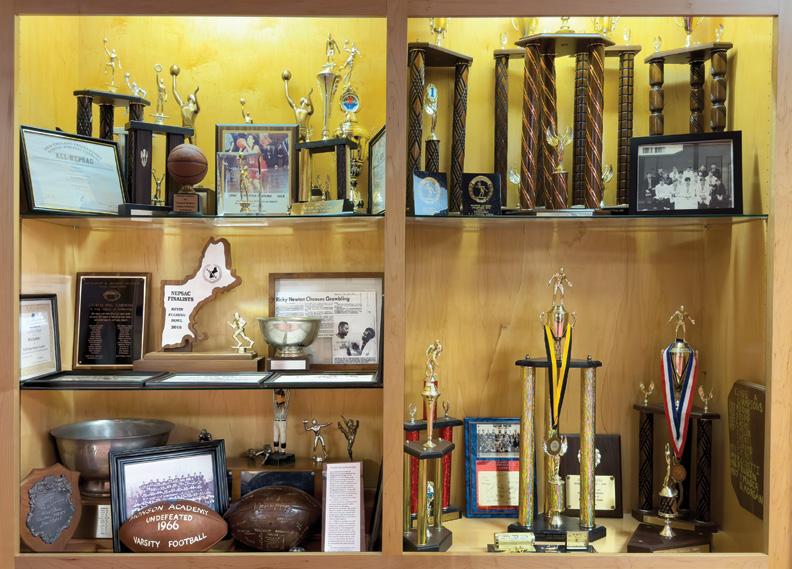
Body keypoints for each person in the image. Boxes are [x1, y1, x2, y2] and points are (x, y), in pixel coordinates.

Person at [273, 389, 291, 455]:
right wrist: (274, 391)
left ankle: (283, 451)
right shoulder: (275, 404)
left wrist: (287, 390)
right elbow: (273, 397)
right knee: (275, 435)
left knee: (283, 435)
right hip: (276, 421)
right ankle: (276, 450)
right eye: (277, 397)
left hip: (282, 421)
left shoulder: (285, 405)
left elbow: (288, 396)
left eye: (280, 397)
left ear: (283, 397)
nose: (278, 399)